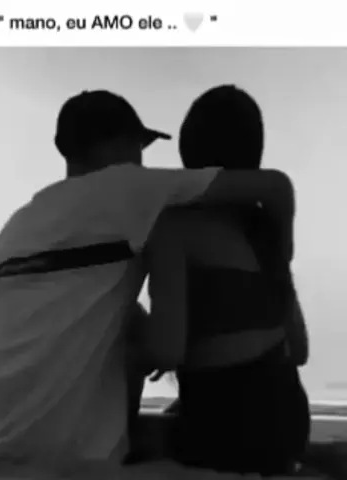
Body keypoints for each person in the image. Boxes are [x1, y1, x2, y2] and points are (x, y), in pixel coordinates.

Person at [0, 89, 297, 474]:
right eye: (141, 146)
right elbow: (274, 186)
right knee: (129, 344)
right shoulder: (130, 186)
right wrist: (282, 254)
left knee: (121, 327)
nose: (142, 159)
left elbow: (54, 308)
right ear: (124, 142)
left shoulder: (19, 224)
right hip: (57, 440)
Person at [144, 85, 310, 475]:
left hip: (224, 434)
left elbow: (166, 352)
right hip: (288, 423)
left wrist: (134, 337)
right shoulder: (267, 228)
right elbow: (300, 350)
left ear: (188, 151)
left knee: (139, 441)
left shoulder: (174, 227)